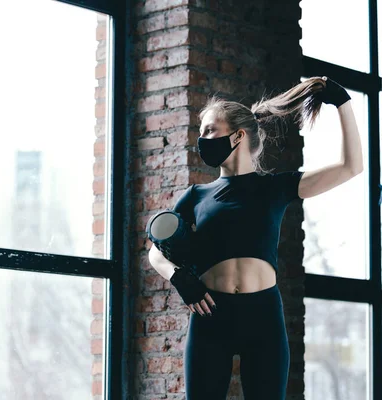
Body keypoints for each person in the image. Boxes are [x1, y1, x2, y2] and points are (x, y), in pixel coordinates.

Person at [147, 76, 364, 400]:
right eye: (200, 132)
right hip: (210, 318)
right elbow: (155, 252)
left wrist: (343, 102)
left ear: (238, 135)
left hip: (262, 317)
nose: (202, 138)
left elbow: (351, 166)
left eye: (209, 130)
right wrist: (179, 278)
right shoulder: (197, 196)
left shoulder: (275, 187)